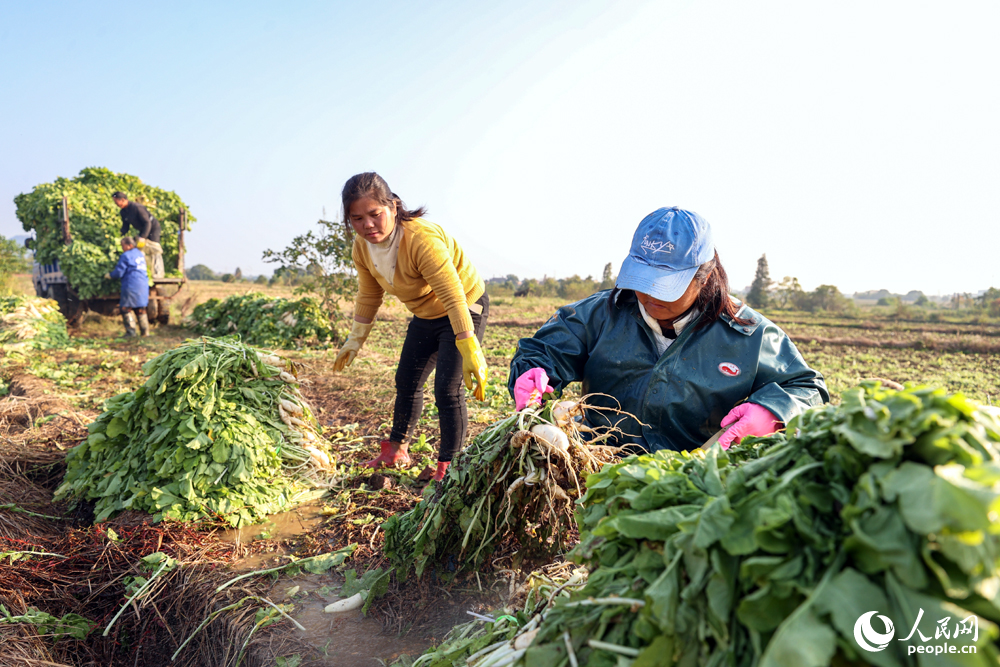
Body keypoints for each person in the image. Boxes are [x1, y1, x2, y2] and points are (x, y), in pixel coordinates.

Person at [509, 207, 828, 452]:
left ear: (703, 277)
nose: (648, 296)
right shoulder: (599, 314)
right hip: (599, 470)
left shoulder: (748, 334)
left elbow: (806, 386)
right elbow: (543, 352)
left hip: (688, 483)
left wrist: (774, 410)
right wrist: (532, 372)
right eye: (641, 280)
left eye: (665, 285)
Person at [333, 172, 489, 481]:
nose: (367, 225)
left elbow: (452, 294)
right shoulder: (362, 248)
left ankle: (450, 468)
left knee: (446, 389)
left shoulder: (421, 239)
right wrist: (355, 338)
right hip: (426, 314)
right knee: (406, 380)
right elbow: (369, 293)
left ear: (393, 206)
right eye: (357, 218)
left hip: (463, 305)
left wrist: (468, 345)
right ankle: (396, 451)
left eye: (375, 214)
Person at [104, 236, 150, 337]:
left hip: (131, 284)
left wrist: (110, 275)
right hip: (143, 284)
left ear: (129, 245)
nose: (122, 248)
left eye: (123, 246)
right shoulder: (140, 254)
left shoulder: (126, 255)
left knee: (125, 308)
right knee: (140, 307)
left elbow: (119, 272)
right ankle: (145, 332)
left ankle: (131, 332)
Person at [112, 191, 164, 279]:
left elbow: (147, 223)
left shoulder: (137, 207)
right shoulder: (123, 212)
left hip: (152, 228)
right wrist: (118, 235)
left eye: (116, 201)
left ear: (123, 200)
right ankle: (146, 272)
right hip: (142, 230)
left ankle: (157, 274)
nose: (116, 204)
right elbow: (125, 227)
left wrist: (143, 237)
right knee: (141, 249)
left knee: (154, 250)